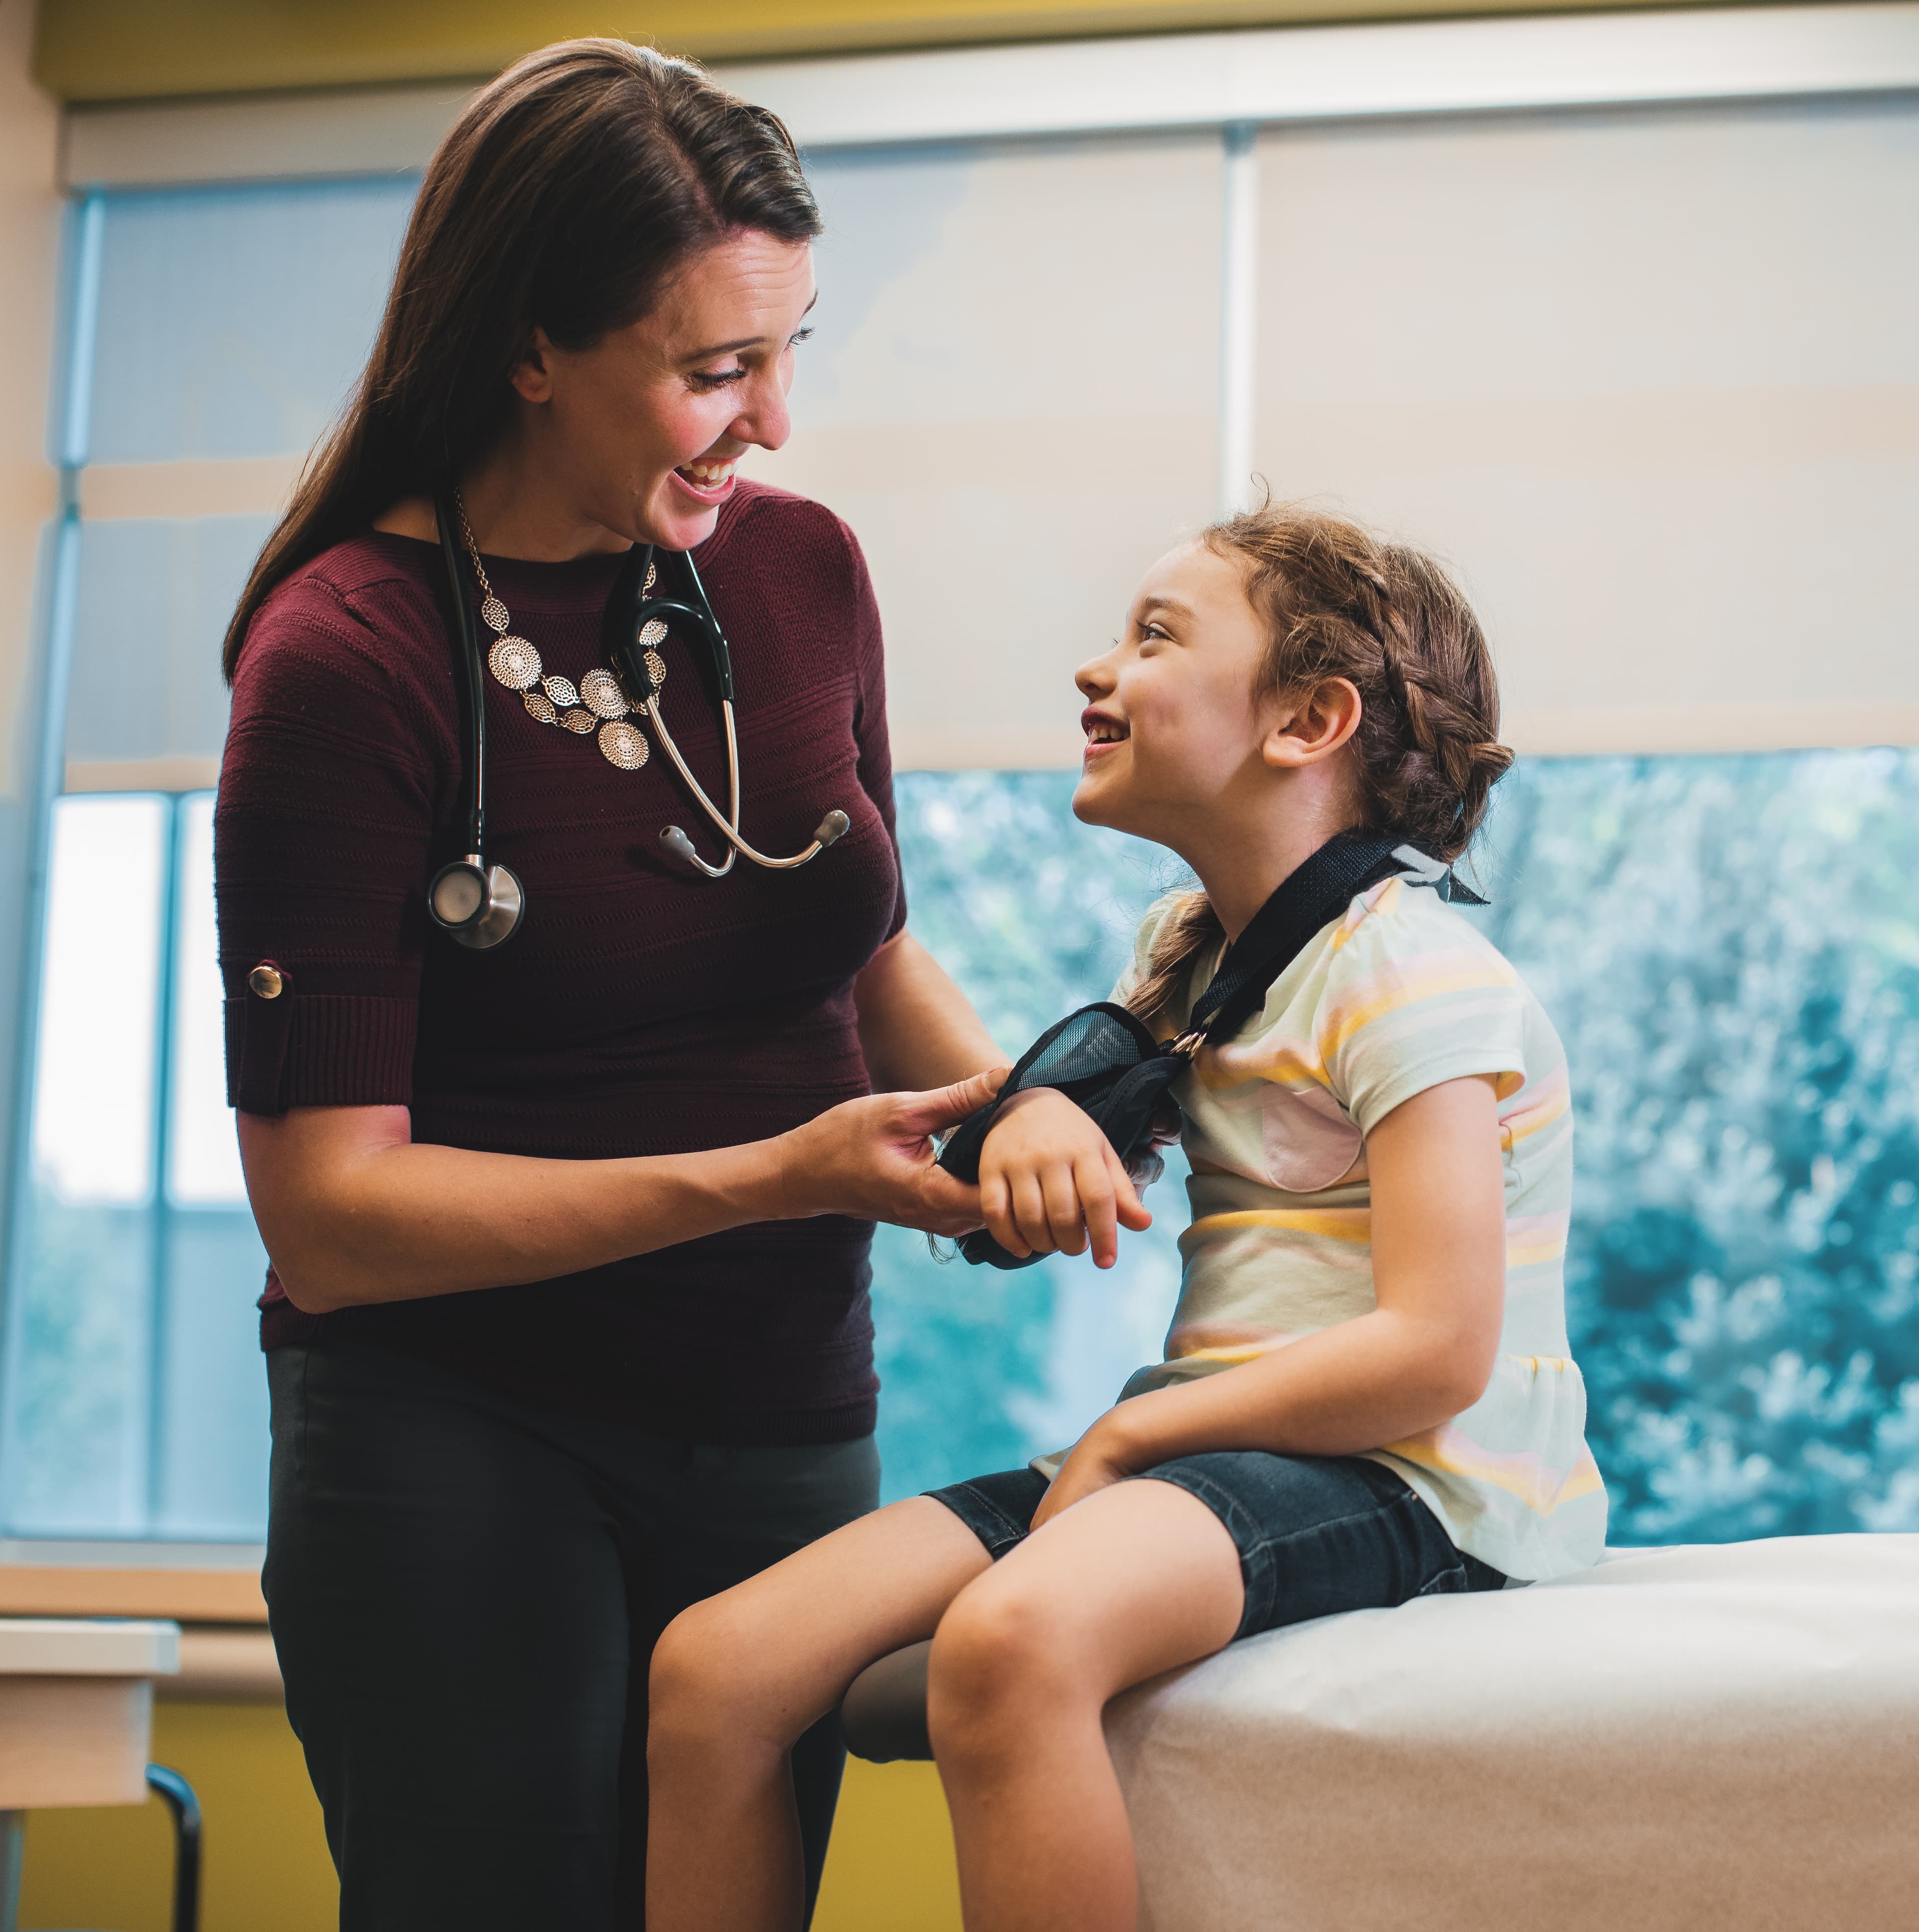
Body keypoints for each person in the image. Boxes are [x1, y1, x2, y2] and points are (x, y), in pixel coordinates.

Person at [215, 40, 1088, 1932]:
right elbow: (338, 1216)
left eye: (792, 350)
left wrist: (1022, 1106)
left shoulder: (800, 576)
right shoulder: (343, 662)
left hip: (784, 1417)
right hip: (454, 1437)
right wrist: (781, 1173)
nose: (773, 419)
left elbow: (852, 946)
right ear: (531, 347)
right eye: (713, 370)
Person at [645, 503, 1610, 1932]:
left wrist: (1135, 1433)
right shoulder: (1203, 958)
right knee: (714, 1671)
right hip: (1220, 1443)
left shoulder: (1414, 977)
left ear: (1307, 721)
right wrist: (1038, 1115)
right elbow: (1075, 1110)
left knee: (1011, 1645)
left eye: (1153, 638)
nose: (1097, 671)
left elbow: (1436, 1354)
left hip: (1416, 1473)